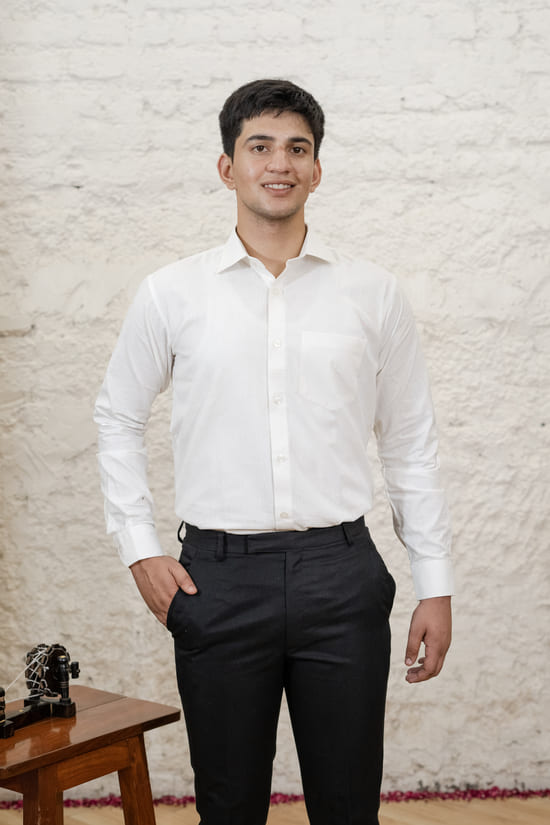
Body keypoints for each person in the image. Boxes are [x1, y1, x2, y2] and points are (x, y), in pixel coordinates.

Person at [94, 78, 453, 825]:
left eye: (298, 148)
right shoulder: (171, 294)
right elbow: (117, 416)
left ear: (317, 169)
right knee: (228, 808)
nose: (279, 163)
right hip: (217, 581)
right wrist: (140, 548)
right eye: (260, 146)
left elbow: (409, 441)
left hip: (342, 577)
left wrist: (435, 581)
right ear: (228, 167)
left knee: (349, 808)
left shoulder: (373, 294)